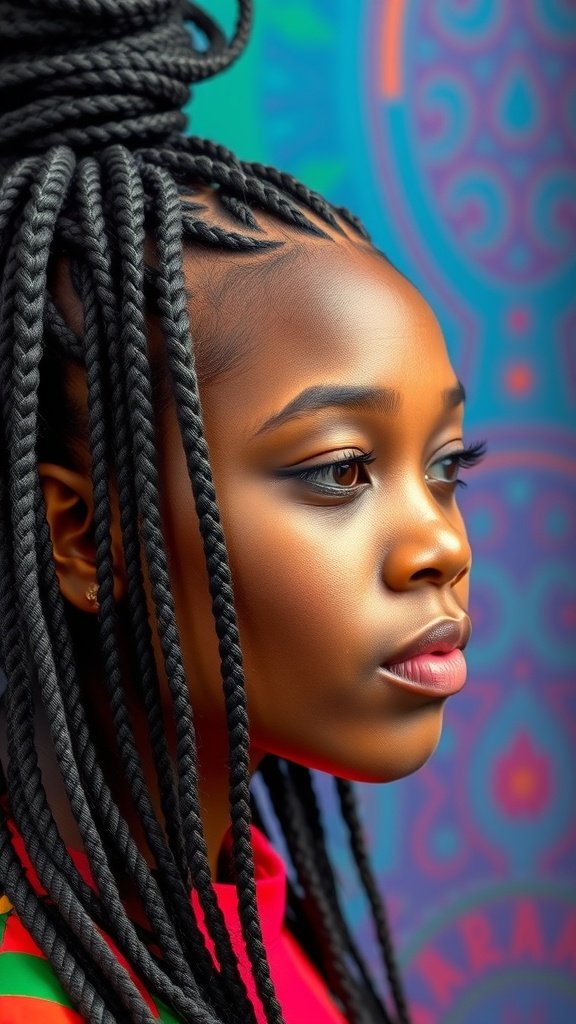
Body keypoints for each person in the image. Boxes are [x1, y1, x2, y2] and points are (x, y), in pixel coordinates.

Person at [0, 2, 485, 1022]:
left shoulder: (237, 913)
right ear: (86, 536)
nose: (440, 544)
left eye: (446, 466)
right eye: (341, 470)